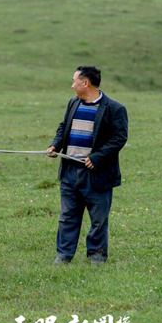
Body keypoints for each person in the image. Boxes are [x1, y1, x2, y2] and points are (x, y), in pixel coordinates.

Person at [47, 66, 128, 265]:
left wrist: (98, 157)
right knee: (67, 217)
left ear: (85, 83)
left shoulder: (115, 108)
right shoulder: (73, 103)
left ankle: (97, 256)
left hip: (97, 174)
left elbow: (119, 138)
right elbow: (63, 126)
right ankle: (63, 256)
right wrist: (55, 145)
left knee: (98, 219)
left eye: (74, 81)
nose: (72, 85)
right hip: (70, 171)